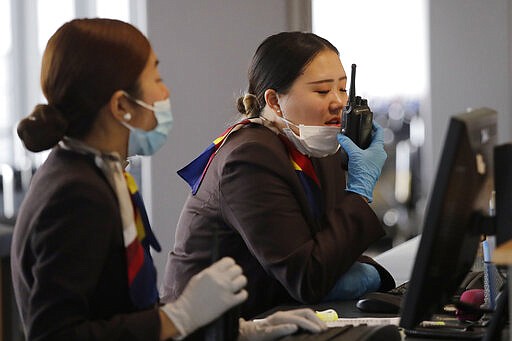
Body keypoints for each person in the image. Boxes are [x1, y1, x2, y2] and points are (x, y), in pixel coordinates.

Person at [11, 19, 326, 341]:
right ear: (122, 105)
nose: (165, 92)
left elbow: (121, 311)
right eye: (156, 79)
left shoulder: (96, 171)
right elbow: (54, 334)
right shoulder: (77, 192)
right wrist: (179, 316)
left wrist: (233, 331)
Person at [162, 31, 396, 319]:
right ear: (273, 101)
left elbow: (328, 248)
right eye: (323, 91)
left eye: (343, 89)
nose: (339, 103)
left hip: (276, 308)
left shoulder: (318, 145)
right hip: (212, 325)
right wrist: (359, 193)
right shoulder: (248, 158)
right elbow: (308, 278)